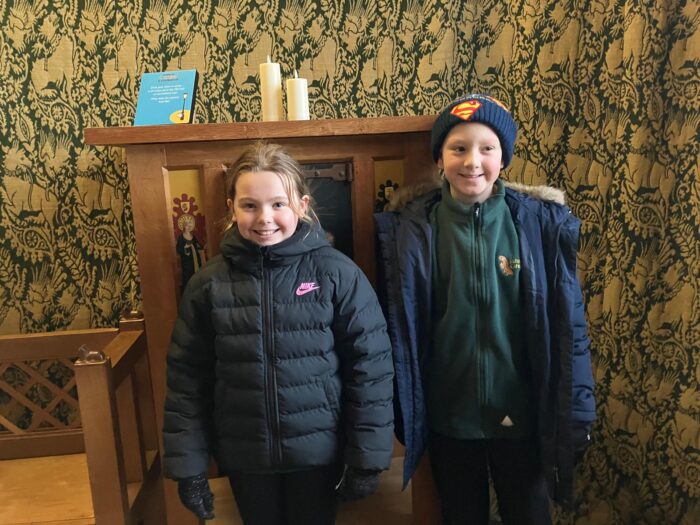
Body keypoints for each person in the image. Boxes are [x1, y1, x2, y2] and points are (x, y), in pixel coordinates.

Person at [374, 94, 596, 524]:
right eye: (458, 148)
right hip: (448, 417)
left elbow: (569, 327)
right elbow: (398, 332)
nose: (472, 161)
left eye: (486, 148)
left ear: (503, 158)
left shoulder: (537, 225)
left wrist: (579, 408)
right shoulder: (409, 230)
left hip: (522, 415)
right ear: (439, 157)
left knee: (528, 513)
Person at [163, 142, 394, 524]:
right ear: (231, 207)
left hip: (319, 453)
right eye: (249, 205)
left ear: (302, 205)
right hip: (245, 455)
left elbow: (371, 368)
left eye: (278, 204)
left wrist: (367, 457)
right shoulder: (208, 284)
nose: (264, 218)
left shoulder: (337, 274)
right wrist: (189, 468)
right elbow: (187, 379)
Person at [175, 214, 205, 292]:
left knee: (196, 273)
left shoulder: (192, 236)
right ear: (184, 227)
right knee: (188, 275)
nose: (188, 227)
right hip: (187, 261)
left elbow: (198, 245)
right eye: (187, 226)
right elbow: (178, 249)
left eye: (189, 226)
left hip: (195, 259)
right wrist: (185, 248)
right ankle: (188, 291)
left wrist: (201, 247)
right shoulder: (181, 237)